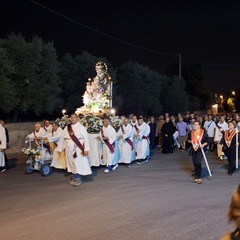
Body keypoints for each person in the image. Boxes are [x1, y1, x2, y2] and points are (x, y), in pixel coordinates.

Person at [57, 113, 92, 186]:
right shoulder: (67, 127)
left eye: (74, 117)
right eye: (71, 117)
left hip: (78, 148)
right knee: (71, 162)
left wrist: (86, 149)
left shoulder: (81, 127)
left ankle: (78, 178)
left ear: (77, 118)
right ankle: (75, 176)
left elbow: (86, 138)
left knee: (77, 162)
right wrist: (61, 148)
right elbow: (63, 138)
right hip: (68, 148)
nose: (72, 119)